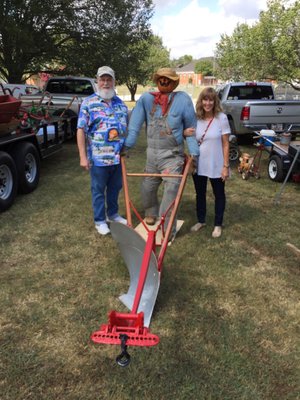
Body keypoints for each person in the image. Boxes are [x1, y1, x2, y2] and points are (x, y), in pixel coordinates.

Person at [124, 67, 199, 240]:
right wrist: (126, 146)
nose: (164, 81)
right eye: (161, 78)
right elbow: (134, 126)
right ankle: (151, 212)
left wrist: (194, 154)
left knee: (171, 190)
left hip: (172, 156)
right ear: (157, 80)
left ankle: (167, 228)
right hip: (152, 155)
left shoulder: (183, 100)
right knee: (147, 188)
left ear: (174, 82)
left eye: (168, 79)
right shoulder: (146, 99)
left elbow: (192, 129)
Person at [77, 66, 128, 235]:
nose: (106, 83)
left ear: (114, 81)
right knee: (98, 190)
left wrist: (124, 148)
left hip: (117, 157)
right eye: (102, 79)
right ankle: (100, 220)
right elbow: (81, 130)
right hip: (98, 158)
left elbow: (123, 129)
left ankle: (112, 214)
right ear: (97, 81)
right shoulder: (89, 103)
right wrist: (83, 157)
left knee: (115, 188)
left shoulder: (120, 104)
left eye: (109, 79)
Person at [184, 87, 230, 238]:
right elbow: (190, 137)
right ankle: (201, 220)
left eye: (211, 99)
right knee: (200, 194)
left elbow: (225, 144)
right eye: (205, 99)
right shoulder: (195, 119)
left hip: (216, 164)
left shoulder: (221, 118)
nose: (208, 103)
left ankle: (218, 224)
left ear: (215, 101)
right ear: (201, 101)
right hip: (199, 164)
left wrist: (226, 166)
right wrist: (184, 133)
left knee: (219, 194)